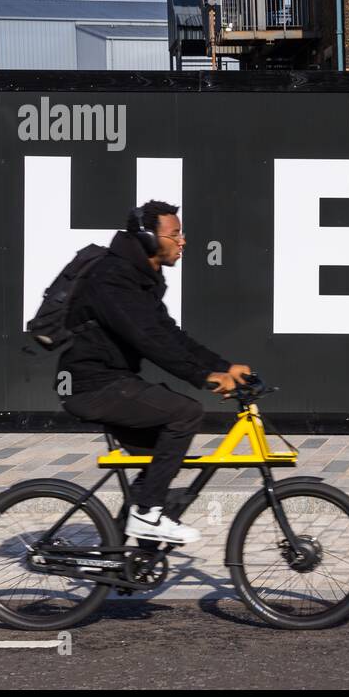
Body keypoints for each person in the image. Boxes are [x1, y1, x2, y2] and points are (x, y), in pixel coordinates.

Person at [57, 200, 250, 544]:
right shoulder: (112, 279)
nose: (183, 241)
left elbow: (171, 335)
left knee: (159, 461)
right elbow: (148, 340)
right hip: (91, 385)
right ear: (148, 239)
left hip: (113, 381)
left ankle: (119, 554)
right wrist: (203, 377)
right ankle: (146, 515)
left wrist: (223, 367)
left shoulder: (140, 279)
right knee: (185, 412)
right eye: (175, 234)